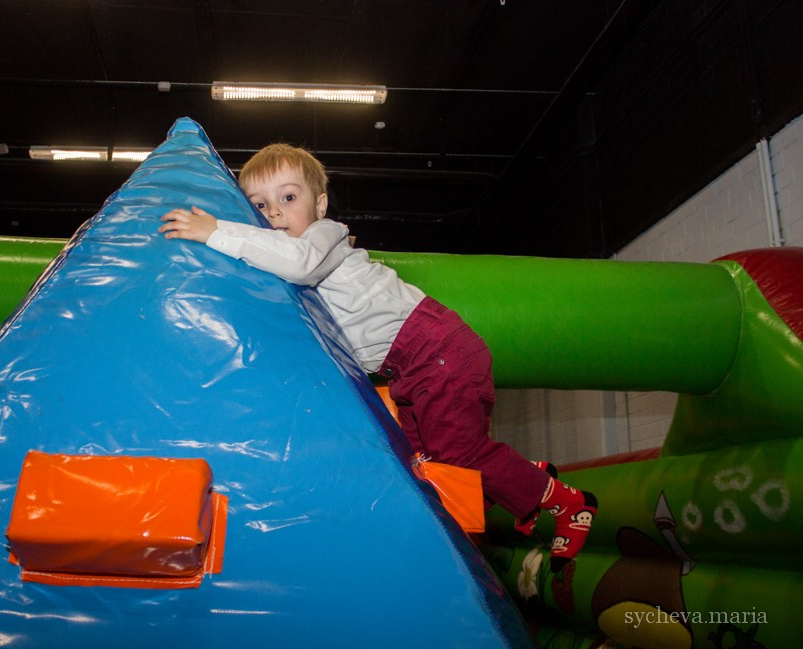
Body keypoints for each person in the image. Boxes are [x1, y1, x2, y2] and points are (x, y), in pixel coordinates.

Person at [159, 143, 597, 570]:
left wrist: (216, 230)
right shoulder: (288, 253)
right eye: (260, 205)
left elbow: (298, 262)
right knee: (428, 467)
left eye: (288, 198)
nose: (273, 213)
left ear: (320, 204)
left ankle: (567, 502)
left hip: (438, 348)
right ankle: (520, 475)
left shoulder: (321, 237)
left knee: (458, 455)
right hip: (410, 367)